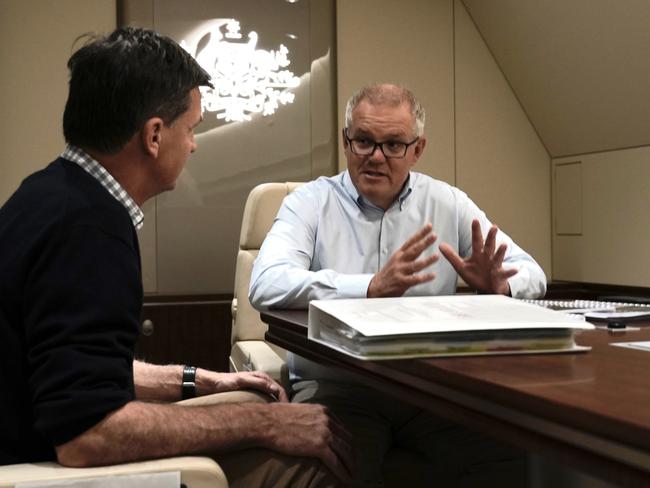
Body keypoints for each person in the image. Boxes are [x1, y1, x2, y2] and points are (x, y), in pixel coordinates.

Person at [0, 27, 353, 488]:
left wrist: (203, 381)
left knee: (255, 404)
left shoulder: (48, 194)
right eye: (191, 129)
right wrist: (267, 426)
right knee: (309, 461)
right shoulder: (89, 230)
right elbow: (86, 433)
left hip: (31, 431)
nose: (193, 145)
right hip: (35, 465)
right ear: (153, 135)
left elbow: (73, 365)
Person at [249, 83, 547, 486]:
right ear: (346, 141)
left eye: (393, 145)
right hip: (341, 387)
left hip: (428, 388)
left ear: (417, 149)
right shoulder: (310, 202)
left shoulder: (448, 203)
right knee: (331, 474)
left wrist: (501, 287)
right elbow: (266, 283)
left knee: (513, 460)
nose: (375, 157)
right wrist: (368, 287)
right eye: (364, 142)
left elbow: (532, 272)